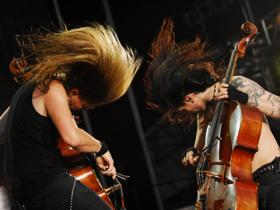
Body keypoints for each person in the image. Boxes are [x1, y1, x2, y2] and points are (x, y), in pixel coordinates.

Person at [144, 18, 280, 210]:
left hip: (272, 179)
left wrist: (244, 98)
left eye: (182, 109)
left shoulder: (238, 84)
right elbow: (201, 151)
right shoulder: (207, 113)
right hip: (243, 191)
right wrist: (193, 153)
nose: (185, 114)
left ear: (189, 97)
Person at [3, 23, 142, 210]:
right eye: (85, 105)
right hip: (48, 186)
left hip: (25, 194)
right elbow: (73, 137)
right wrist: (102, 148)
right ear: (75, 92)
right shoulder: (53, 87)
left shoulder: (27, 90)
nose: (80, 110)